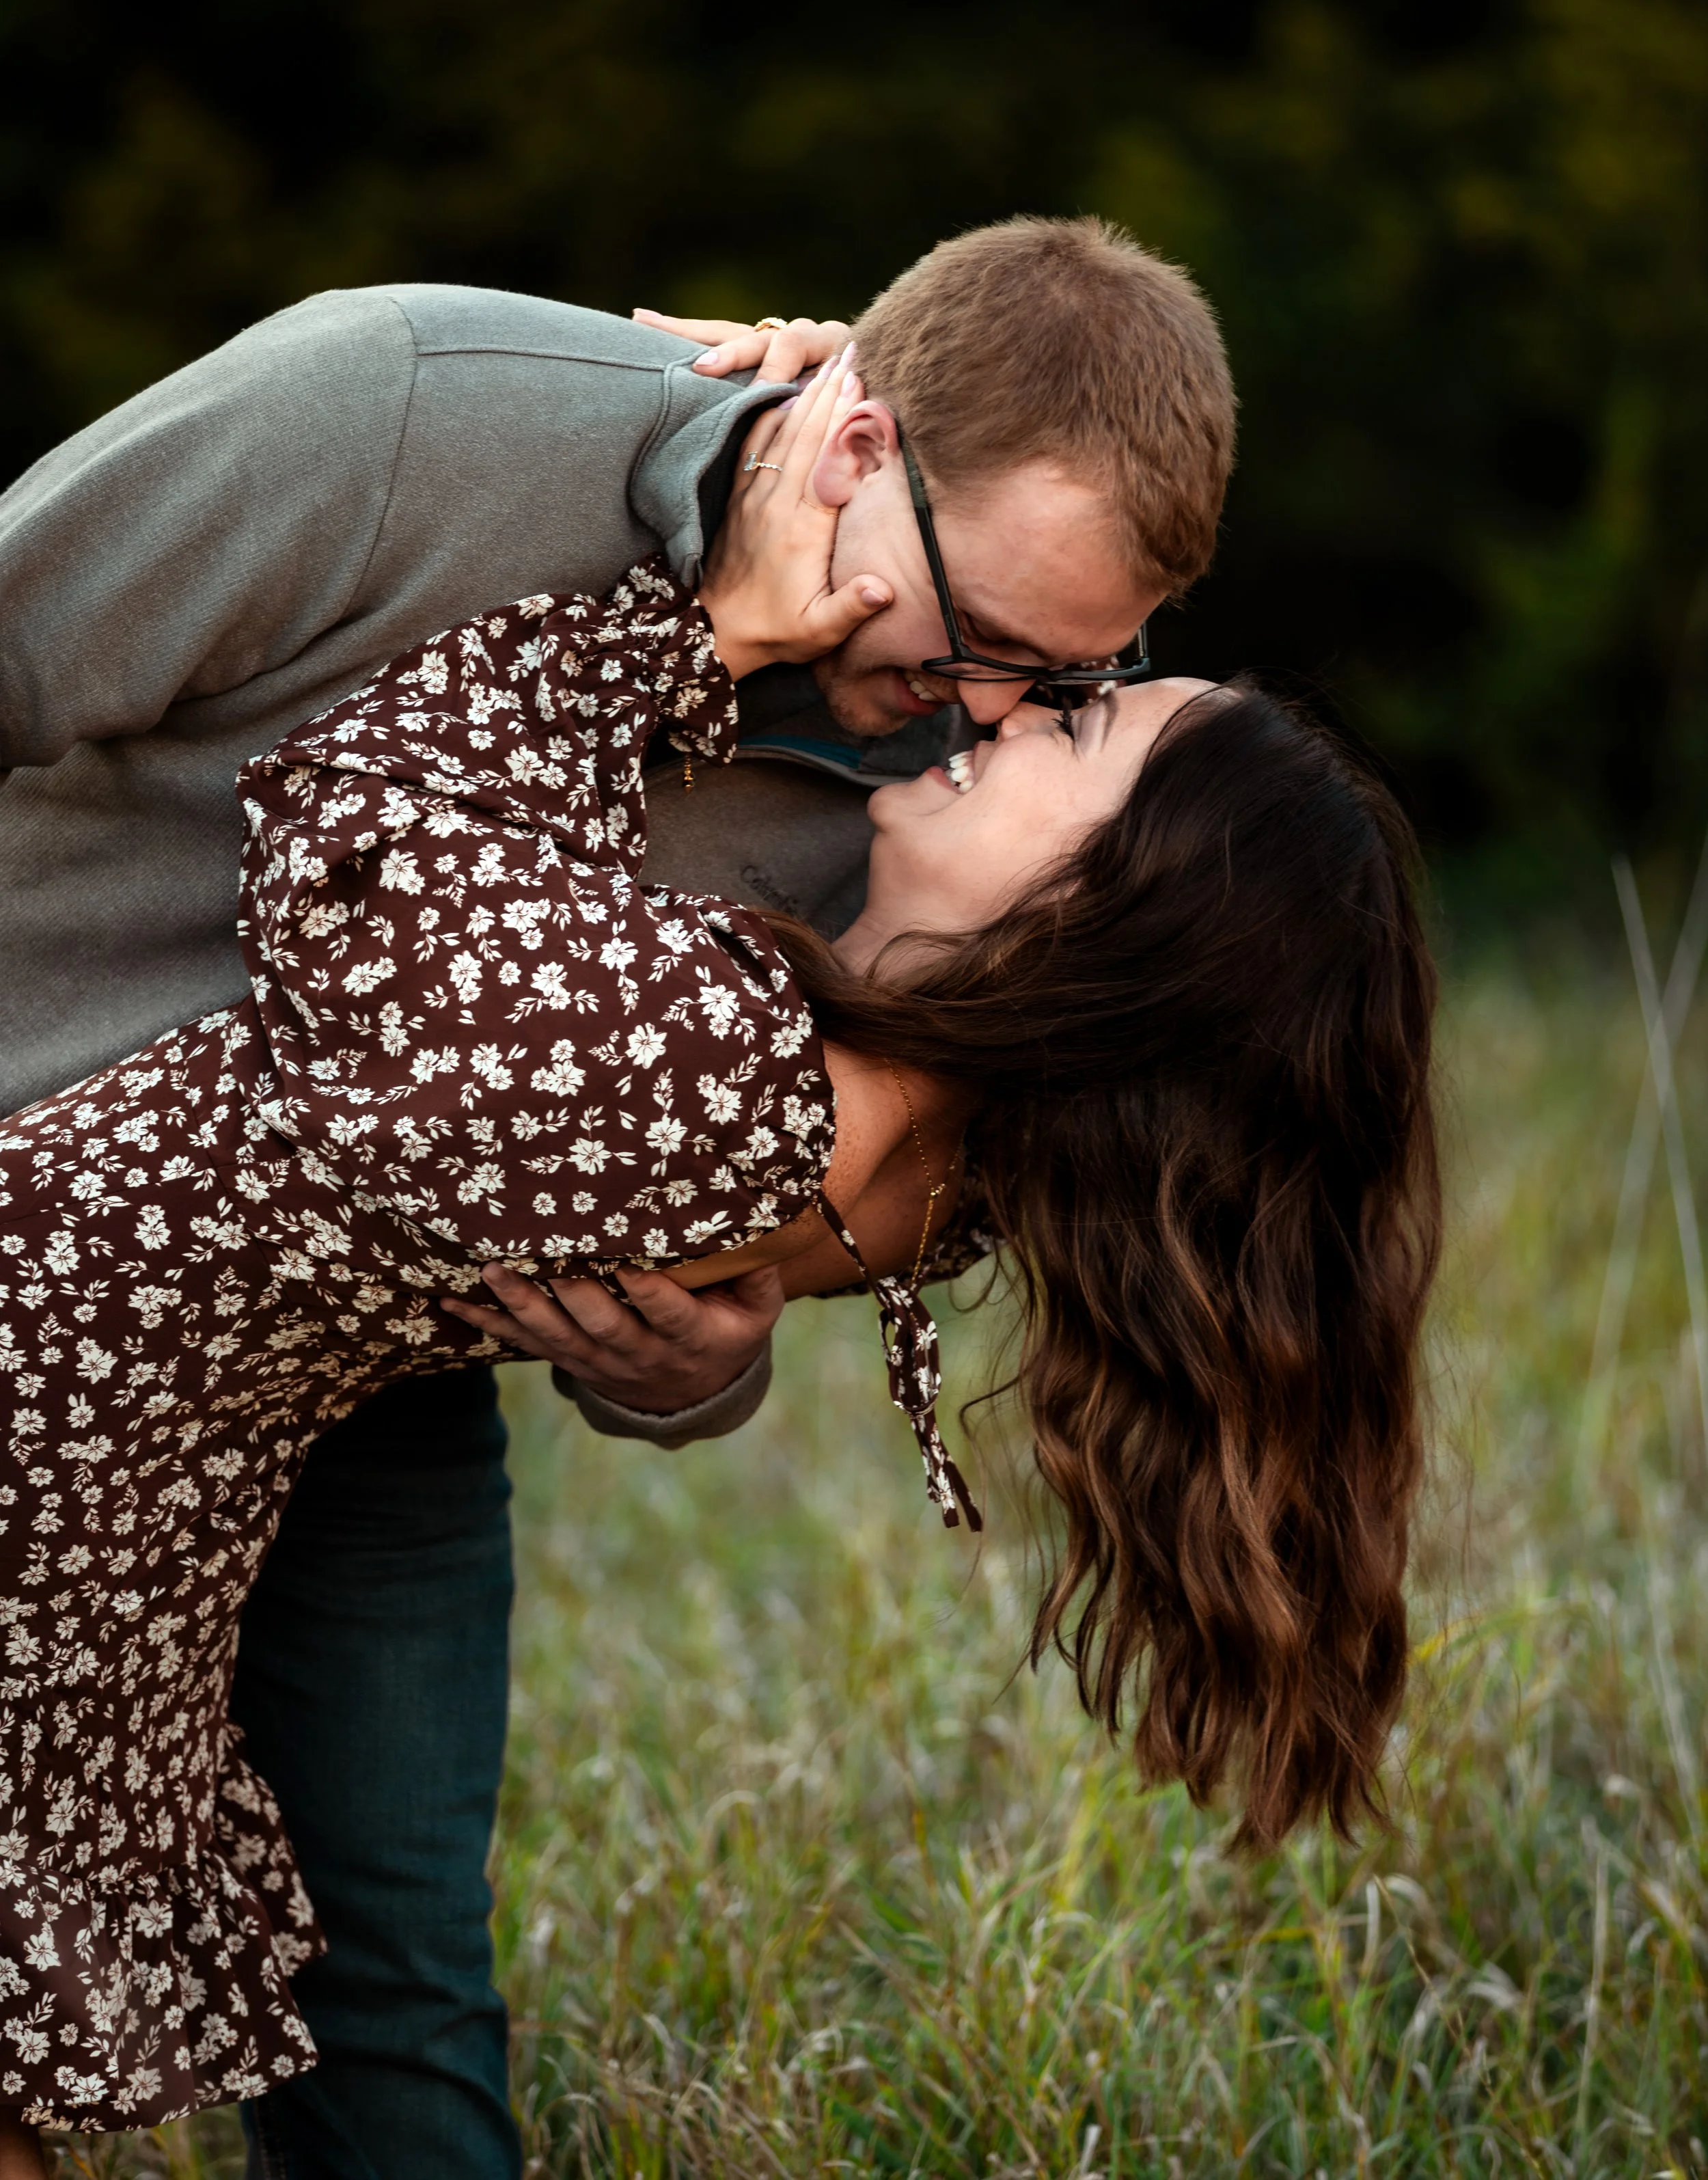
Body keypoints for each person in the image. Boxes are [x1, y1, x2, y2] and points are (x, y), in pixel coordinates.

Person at [0, 344, 1438, 2161]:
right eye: (1030, 673)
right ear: (860, 441)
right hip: (112, 1429)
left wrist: (697, 643)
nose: (990, 714)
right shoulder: (937, 1144)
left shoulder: (736, 1063)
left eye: (1074, 709)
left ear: (1101, 922)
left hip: (70, 1411)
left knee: (357, 1985)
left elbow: (354, 852)